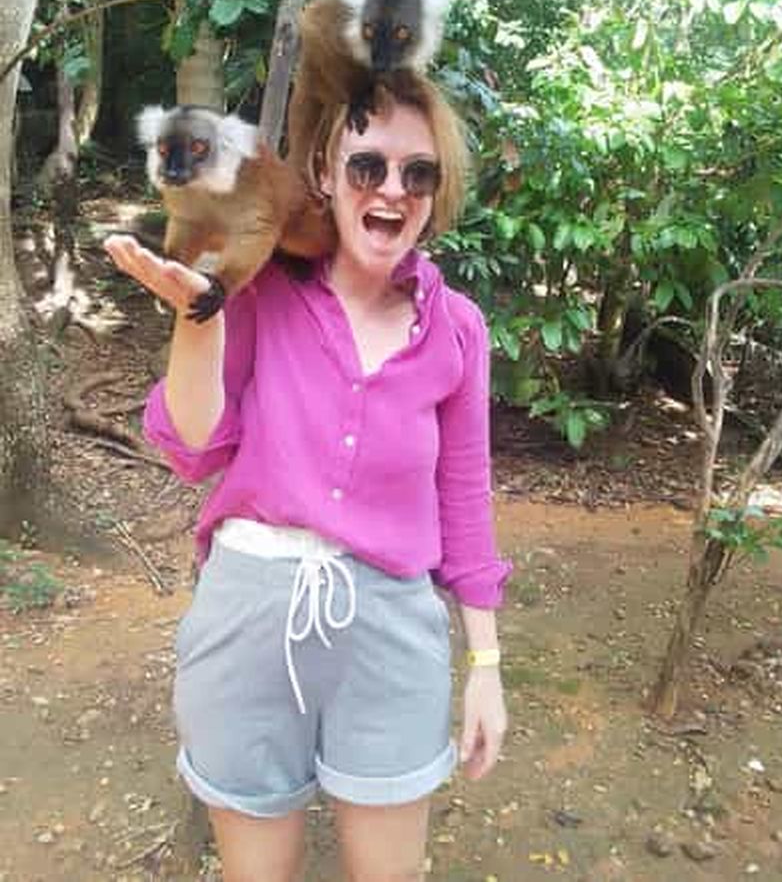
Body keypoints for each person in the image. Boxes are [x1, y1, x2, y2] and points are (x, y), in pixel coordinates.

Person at [105, 73, 511, 882]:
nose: (392, 190)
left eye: (417, 172)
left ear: (435, 191)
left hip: (393, 629)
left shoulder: (456, 329)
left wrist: (487, 667)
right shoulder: (257, 291)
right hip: (248, 613)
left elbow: (463, 501)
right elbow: (194, 444)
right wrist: (197, 316)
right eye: (368, 166)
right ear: (326, 173)